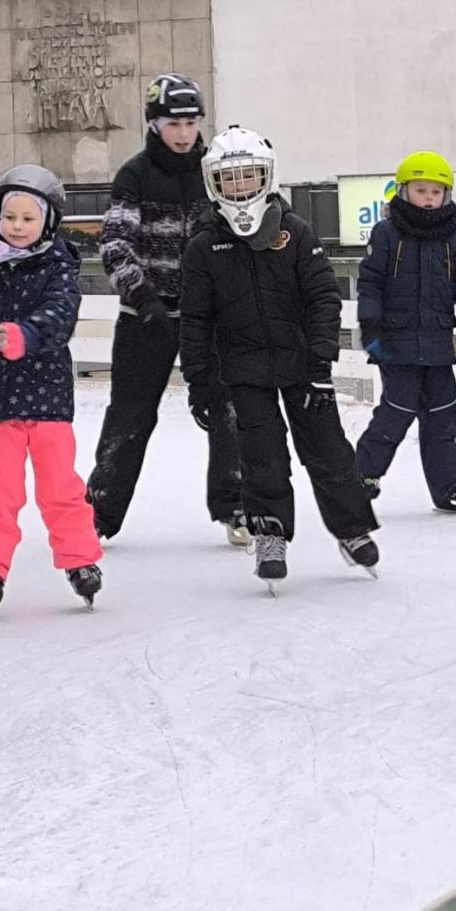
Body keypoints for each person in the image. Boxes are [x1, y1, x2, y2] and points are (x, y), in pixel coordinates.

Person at [179, 126, 379, 590]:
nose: (240, 188)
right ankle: (269, 532)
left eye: (249, 176)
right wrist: (199, 382)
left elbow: (324, 297)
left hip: (303, 366)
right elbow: (194, 321)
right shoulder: (204, 247)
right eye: (229, 179)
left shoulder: (295, 232)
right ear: (214, 185)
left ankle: (352, 528)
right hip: (242, 373)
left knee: (328, 451)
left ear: (266, 177)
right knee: (262, 456)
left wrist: (321, 356)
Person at [85, 74, 244, 545]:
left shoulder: (213, 171)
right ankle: (98, 511)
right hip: (146, 318)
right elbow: (115, 243)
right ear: (155, 125)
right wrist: (143, 296)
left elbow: (232, 233)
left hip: (209, 318)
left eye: (191, 122)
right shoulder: (134, 175)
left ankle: (234, 504)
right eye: (173, 122)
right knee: (130, 416)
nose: (183, 132)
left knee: (228, 407)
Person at [0, 166, 102, 616]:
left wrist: (24, 335)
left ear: (47, 222)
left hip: (47, 399)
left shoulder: (59, 266)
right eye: (9, 216)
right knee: (0, 489)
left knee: (60, 487)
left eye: (27, 218)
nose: (16, 226)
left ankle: (80, 560)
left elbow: (60, 316)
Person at [355, 151, 456, 513]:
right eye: (421, 190)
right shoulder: (387, 234)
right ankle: (362, 475)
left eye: (436, 191)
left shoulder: (452, 239)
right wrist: (370, 329)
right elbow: (370, 284)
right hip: (395, 344)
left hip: (436, 343)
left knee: (443, 417)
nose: (429, 198)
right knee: (396, 411)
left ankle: (448, 486)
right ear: (403, 191)